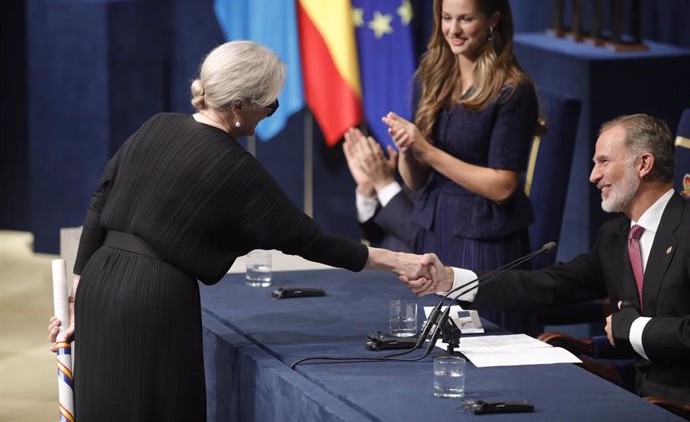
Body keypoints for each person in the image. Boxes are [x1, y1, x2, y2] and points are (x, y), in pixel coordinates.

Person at [47, 41, 436, 421]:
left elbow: (101, 199)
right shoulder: (236, 168)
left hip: (100, 280)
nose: (270, 113)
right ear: (238, 107)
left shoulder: (156, 125)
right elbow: (310, 240)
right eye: (269, 104)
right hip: (154, 298)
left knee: (103, 403)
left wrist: (76, 294)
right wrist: (396, 261)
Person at [410, 114, 690, 404]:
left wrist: (633, 329)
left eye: (604, 162)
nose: (593, 176)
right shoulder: (615, 236)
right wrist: (452, 280)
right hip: (637, 399)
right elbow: (549, 284)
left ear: (643, 164)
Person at [382, 0, 539, 334]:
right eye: (447, 18)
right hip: (436, 227)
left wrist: (427, 149)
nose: (453, 29)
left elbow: (503, 186)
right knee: (433, 344)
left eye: (466, 19)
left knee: (487, 344)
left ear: (492, 20)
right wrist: (408, 149)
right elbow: (418, 182)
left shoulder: (512, 90)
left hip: (485, 239)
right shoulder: (432, 75)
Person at [342, 127, 418, 252]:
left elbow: (421, 238)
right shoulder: (409, 187)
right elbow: (377, 236)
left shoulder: (445, 187)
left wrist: (385, 184)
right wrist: (369, 189)